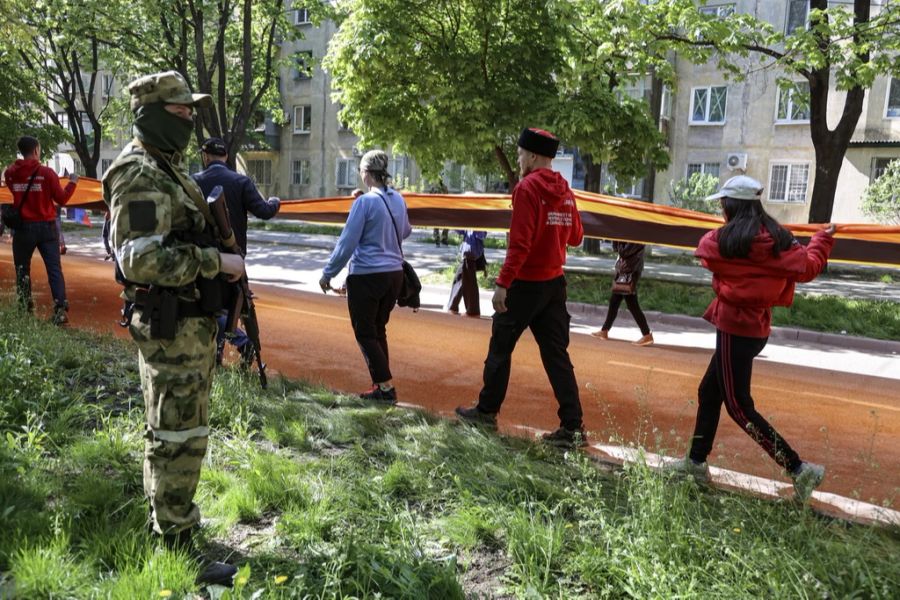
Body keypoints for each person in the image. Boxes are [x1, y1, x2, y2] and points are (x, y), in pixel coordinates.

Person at [103, 71, 244, 585]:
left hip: (187, 326)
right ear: (153, 115)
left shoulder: (166, 167)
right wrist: (215, 262)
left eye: (190, 112)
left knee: (176, 431)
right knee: (177, 434)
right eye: (181, 112)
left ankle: (170, 523)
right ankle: (177, 546)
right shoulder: (139, 172)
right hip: (172, 326)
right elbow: (139, 260)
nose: (189, 120)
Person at [665, 175, 836, 502]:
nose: (719, 208)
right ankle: (696, 462)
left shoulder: (726, 242)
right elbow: (809, 266)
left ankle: (800, 469)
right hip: (755, 329)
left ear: (730, 205)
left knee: (739, 406)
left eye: (722, 203)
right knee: (708, 391)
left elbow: (703, 250)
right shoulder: (778, 240)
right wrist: (821, 240)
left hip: (734, 329)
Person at [455, 128, 586, 447]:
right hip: (554, 285)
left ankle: (486, 412)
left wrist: (503, 284)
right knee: (557, 356)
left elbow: (520, 244)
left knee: (500, 349)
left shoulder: (526, 188)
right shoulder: (566, 190)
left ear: (534, 156)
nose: (518, 158)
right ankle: (573, 428)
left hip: (526, 284)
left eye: (520, 153)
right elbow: (576, 237)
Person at [319, 149, 410, 404]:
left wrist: (328, 274)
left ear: (366, 173)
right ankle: (380, 385)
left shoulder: (364, 202)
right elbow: (405, 231)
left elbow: (347, 243)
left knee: (365, 333)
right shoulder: (398, 200)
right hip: (394, 275)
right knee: (378, 330)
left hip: (368, 275)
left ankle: (386, 388)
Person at [191, 136, 280, 367]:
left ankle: (216, 358)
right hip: (235, 261)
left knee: (208, 307)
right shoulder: (241, 182)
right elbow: (264, 211)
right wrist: (275, 202)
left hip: (203, 260)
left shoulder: (192, 182)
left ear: (205, 156)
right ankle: (247, 348)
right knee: (236, 308)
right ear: (226, 157)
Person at [3, 135, 78, 324]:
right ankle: (60, 310)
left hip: (23, 229)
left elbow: (15, 191)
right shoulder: (47, 173)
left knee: (22, 270)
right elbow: (61, 199)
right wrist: (73, 182)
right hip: (47, 229)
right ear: (36, 150)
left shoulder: (11, 173)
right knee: (54, 269)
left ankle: (25, 310)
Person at [592, 241, 653, 345]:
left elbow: (624, 252)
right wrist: (616, 239)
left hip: (631, 271)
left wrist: (618, 240)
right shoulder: (627, 234)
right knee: (614, 301)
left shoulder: (636, 236)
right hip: (626, 270)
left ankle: (647, 335)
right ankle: (604, 330)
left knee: (632, 304)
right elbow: (616, 249)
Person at [446, 229, 487, 317]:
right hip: (466, 253)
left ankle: (473, 311)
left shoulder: (479, 221)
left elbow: (482, 234)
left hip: (471, 253)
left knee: (469, 282)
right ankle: (453, 307)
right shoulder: (469, 221)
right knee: (460, 278)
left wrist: (475, 229)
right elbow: (461, 231)